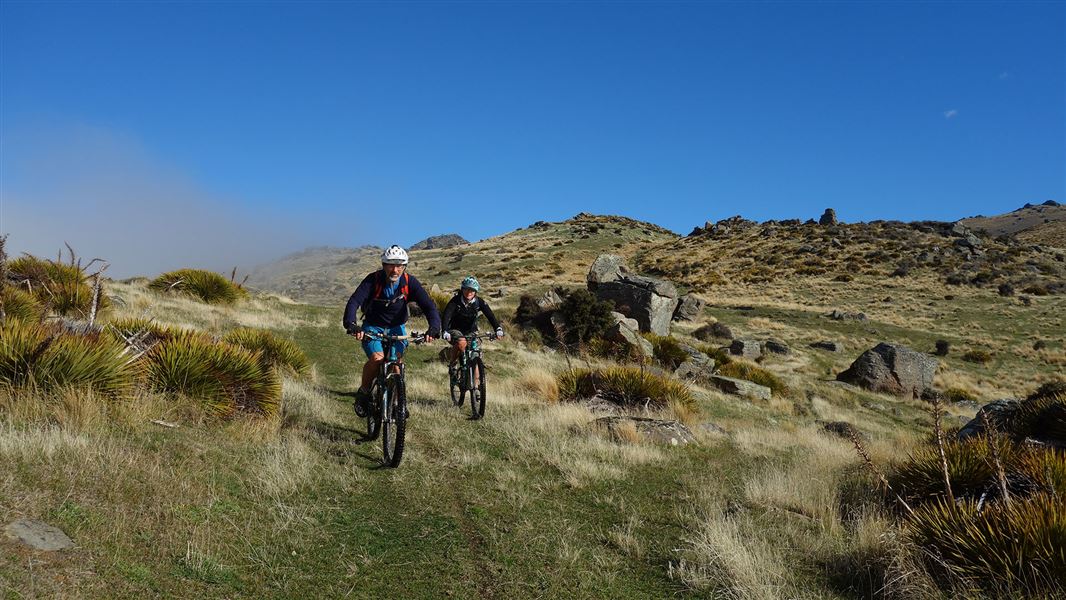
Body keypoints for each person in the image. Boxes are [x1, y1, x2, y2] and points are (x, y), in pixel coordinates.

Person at [343, 245, 441, 417]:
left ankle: (397, 403)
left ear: (404, 266)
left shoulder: (410, 282)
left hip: (397, 328)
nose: (395, 269)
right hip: (372, 326)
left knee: (397, 363)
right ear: (383, 265)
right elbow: (354, 301)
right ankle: (364, 393)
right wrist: (351, 323)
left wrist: (433, 327)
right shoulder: (373, 280)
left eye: (399, 265)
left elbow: (429, 306)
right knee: (377, 358)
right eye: (390, 265)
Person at [441, 276, 503, 382]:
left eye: (472, 290)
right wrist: (445, 330)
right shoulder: (455, 301)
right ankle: (453, 364)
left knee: (476, 355)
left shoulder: (479, 302)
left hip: (472, 331)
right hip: (456, 330)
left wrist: (498, 328)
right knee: (461, 342)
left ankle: (477, 389)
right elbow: (446, 316)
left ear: (476, 291)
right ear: (462, 289)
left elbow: (490, 316)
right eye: (467, 289)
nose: (469, 292)